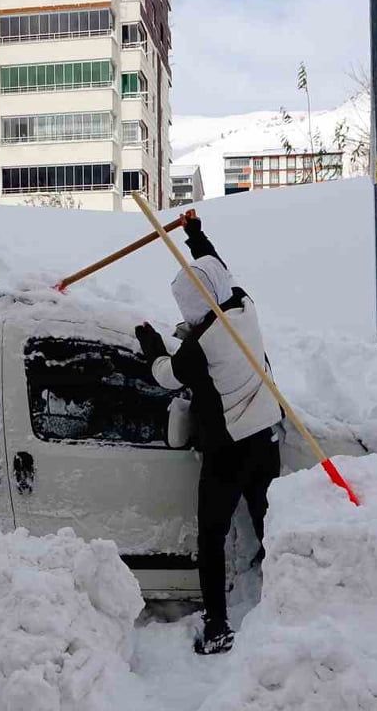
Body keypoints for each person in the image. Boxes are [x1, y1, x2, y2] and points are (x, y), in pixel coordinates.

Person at [134, 210, 282, 656]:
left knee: (211, 537)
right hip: (265, 438)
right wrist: (195, 235)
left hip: (227, 452)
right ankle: (290, 600)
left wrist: (153, 347)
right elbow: (217, 266)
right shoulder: (244, 306)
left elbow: (165, 375)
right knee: (267, 524)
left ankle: (218, 627)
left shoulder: (201, 350)